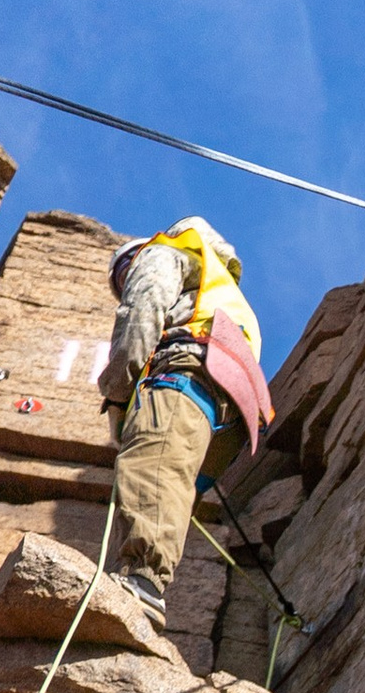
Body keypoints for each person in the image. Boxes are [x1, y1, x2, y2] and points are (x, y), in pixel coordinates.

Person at [100, 217, 272, 615]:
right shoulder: (223, 292)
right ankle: (145, 574)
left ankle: (141, 576)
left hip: (185, 372)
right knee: (172, 480)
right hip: (231, 411)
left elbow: (141, 313)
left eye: (123, 278)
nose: (125, 285)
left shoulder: (161, 254)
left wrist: (117, 396)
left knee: (150, 464)